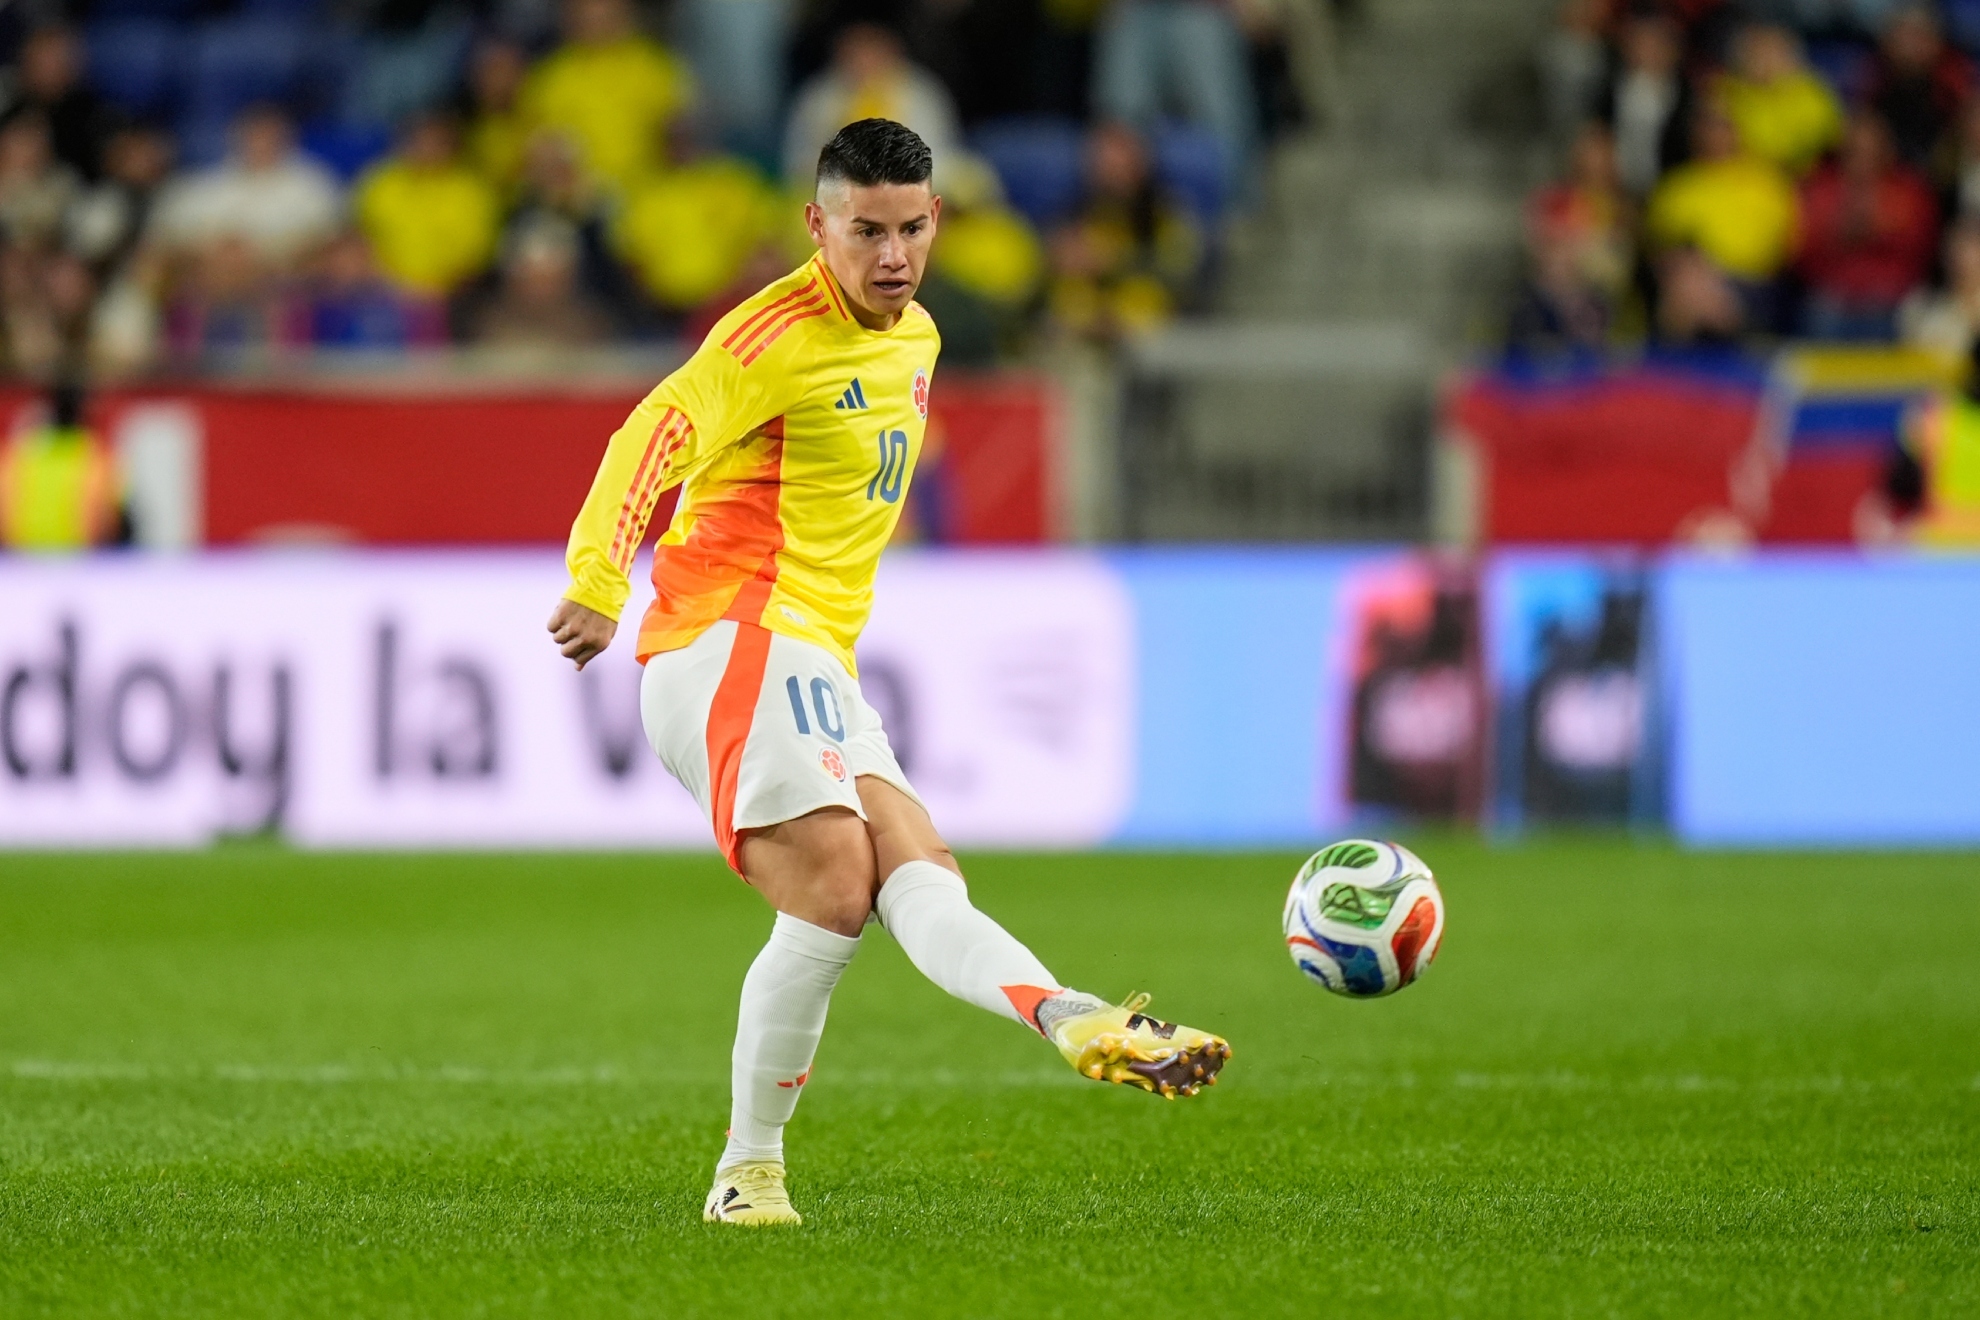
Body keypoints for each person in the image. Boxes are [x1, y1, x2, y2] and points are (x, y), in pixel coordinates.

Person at [545, 118, 1231, 1226]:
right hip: (728, 633)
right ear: (816, 225)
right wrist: (597, 575)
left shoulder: (918, 338)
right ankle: (747, 1171)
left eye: (911, 229)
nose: (892, 257)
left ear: (937, 221)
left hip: (811, 655)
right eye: (865, 232)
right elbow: (655, 429)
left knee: (917, 869)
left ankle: (1076, 1015)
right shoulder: (773, 335)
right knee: (830, 883)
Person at [519, 0, 697, 197]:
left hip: (648, 192)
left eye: (604, 13)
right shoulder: (550, 77)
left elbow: (683, 136)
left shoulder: (656, 67)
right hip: (577, 198)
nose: (596, 20)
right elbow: (535, 151)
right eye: (586, 14)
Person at [1645, 104, 1797, 324]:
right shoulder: (1675, 186)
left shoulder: (1767, 182)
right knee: (1686, 285)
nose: (1715, 135)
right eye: (1708, 127)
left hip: (1753, 285)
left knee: (1689, 292)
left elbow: (1784, 248)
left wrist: (1718, 273)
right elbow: (1657, 249)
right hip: (1686, 282)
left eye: (1722, 126)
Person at [1794, 111, 1937, 341]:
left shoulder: (1908, 190)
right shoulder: (1821, 189)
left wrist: (1880, 231)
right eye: (1855, 150)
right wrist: (1839, 235)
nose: (1863, 158)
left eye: (1871, 150)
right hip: (1834, 299)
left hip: (1890, 298)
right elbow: (1803, 253)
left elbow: (1922, 246)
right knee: (1819, 312)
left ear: (1886, 150)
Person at [151, 105, 343, 270]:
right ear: (236, 136)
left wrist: (259, 255)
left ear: (287, 138)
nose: (261, 142)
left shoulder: (314, 184)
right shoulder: (203, 185)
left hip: (283, 280)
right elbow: (171, 234)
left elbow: (326, 238)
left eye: (270, 135)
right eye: (254, 134)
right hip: (208, 278)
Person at [781, 25, 960, 186]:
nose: (864, 61)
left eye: (873, 51)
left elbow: (940, 158)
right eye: (856, 52)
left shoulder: (921, 93)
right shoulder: (818, 97)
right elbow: (799, 162)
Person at [354, 111, 502, 298]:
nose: (426, 149)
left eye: (435, 143)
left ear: (451, 146)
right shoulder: (380, 184)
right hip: (384, 293)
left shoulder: (473, 192)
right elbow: (360, 240)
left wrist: (436, 291)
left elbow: (477, 258)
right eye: (419, 141)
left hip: (451, 296)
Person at [0, 381, 122, 551]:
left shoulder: (22, 448)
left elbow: (4, 506)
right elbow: (105, 518)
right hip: (77, 558)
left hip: (22, 559)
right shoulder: (91, 452)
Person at [1715, 21, 1843, 177]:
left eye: (1770, 52)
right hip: (1746, 181)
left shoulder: (1812, 91)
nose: (1762, 61)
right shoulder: (1727, 93)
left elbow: (1826, 139)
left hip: (1805, 179)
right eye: (1754, 53)